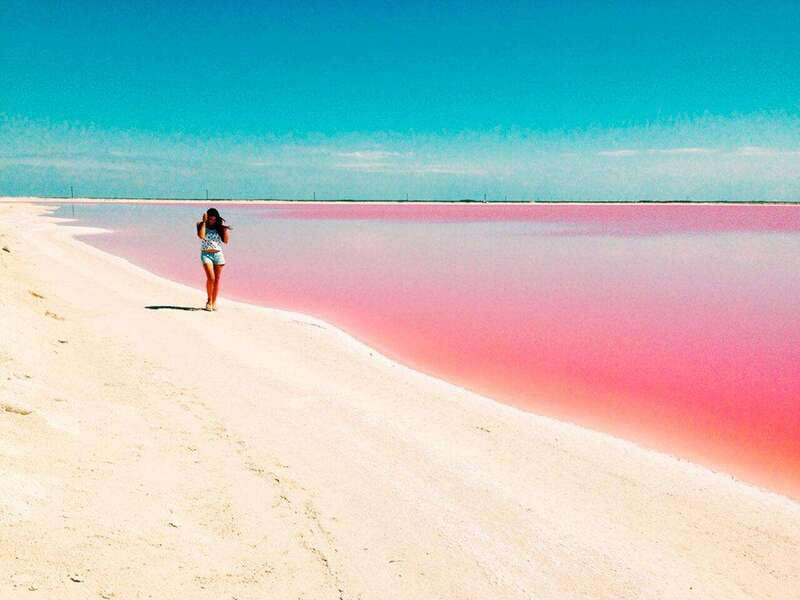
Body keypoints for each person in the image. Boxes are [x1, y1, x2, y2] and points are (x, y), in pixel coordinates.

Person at [196, 207, 230, 311]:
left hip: (218, 255)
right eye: (210, 219)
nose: (212, 221)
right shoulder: (201, 224)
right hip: (206, 255)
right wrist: (204, 221)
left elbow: (226, 241)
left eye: (214, 219)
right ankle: (209, 300)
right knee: (211, 278)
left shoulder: (220, 227)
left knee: (217, 281)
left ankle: (214, 302)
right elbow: (201, 236)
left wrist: (225, 230)